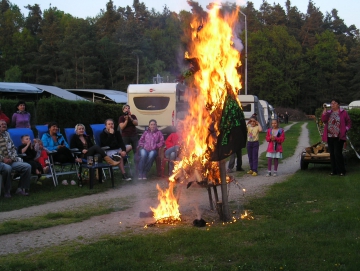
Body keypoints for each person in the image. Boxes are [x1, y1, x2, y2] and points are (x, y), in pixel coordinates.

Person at [0, 119, 31, 197]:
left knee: (27, 166)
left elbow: (13, 148)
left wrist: (12, 158)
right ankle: (7, 191)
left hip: (10, 160)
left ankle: (20, 189)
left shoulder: (7, 134)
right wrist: (3, 159)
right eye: (2, 124)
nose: (4, 125)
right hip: (1, 161)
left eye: (5, 124)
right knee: (7, 168)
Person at [321, 99, 351, 176]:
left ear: (338, 104)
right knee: (332, 154)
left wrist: (345, 129)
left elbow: (349, 122)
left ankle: (341, 171)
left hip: (339, 136)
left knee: (337, 153)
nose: (332, 104)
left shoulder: (343, 112)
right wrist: (324, 111)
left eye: (334, 103)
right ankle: (334, 171)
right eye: (331, 103)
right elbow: (323, 120)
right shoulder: (328, 113)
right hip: (330, 136)